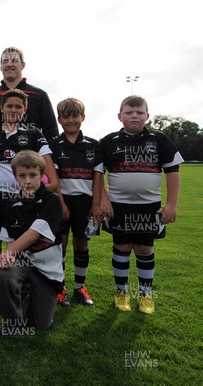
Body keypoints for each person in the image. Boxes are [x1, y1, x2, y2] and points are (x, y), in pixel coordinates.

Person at [0, 89, 59, 299]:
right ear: (1, 108)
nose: (13, 110)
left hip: (23, 199)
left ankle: (16, 282)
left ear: (25, 110)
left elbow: (48, 165)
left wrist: (52, 186)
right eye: (9, 106)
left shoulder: (34, 133)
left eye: (18, 106)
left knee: (16, 241)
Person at [99, 95, 183, 314]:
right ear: (120, 116)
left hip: (149, 206)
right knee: (122, 248)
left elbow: (172, 171)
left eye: (138, 112)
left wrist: (171, 204)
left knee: (145, 249)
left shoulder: (159, 139)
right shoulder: (108, 142)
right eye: (128, 112)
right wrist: (104, 199)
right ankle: (122, 292)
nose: (134, 116)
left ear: (147, 115)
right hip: (119, 207)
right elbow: (97, 174)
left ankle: (145, 295)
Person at [0, 150, 64, 338]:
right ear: (15, 177)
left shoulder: (52, 201)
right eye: (22, 176)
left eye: (33, 175)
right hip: (23, 262)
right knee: (5, 274)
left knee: (41, 324)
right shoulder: (12, 204)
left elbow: (33, 235)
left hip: (47, 267)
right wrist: (7, 257)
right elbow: (10, 241)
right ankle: (14, 323)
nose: (28, 181)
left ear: (42, 175)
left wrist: (3, 255)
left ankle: (29, 291)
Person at [50, 97, 104, 307]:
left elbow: (98, 176)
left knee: (81, 244)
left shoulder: (93, 145)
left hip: (85, 203)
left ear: (83, 117)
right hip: (61, 203)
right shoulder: (54, 144)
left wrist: (96, 204)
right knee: (60, 246)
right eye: (66, 116)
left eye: (75, 115)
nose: (71, 120)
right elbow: (53, 178)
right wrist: (61, 203)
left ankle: (80, 287)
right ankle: (60, 289)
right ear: (59, 119)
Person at [0, 47, 58, 143]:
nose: (9, 64)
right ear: (1, 66)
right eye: (5, 61)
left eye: (14, 61)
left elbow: (51, 131)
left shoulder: (39, 96)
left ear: (22, 65)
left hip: (31, 156)